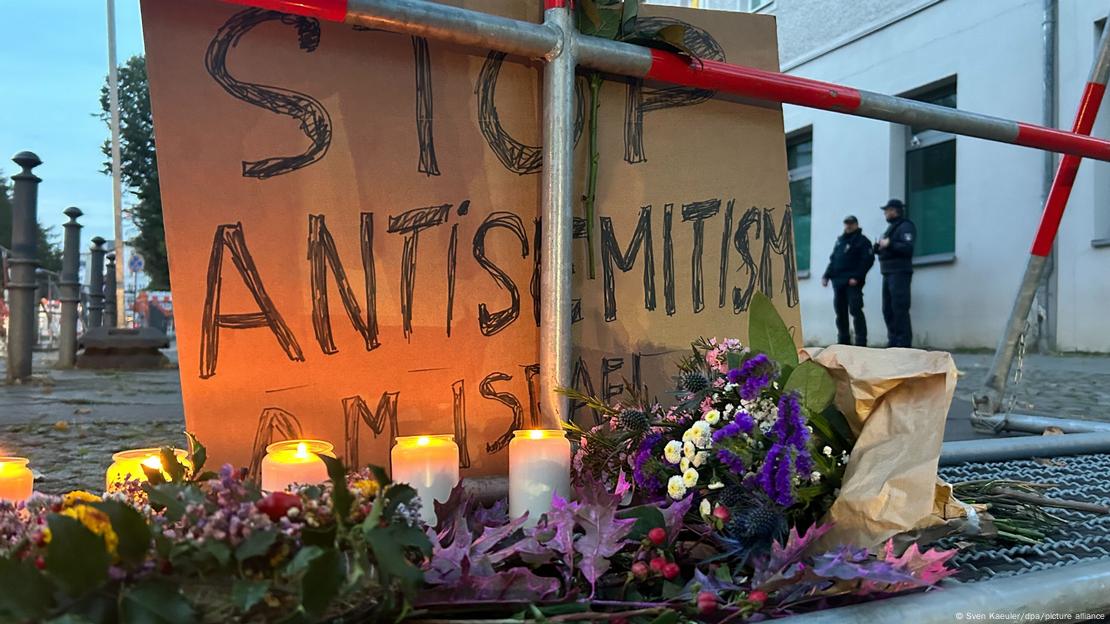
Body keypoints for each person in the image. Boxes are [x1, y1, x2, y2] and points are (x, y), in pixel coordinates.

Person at [822, 215, 874, 346]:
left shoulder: (862, 241)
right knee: (840, 313)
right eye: (846, 223)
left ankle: (861, 341)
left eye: (851, 223)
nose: (848, 226)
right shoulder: (840, 241)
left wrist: (857, 277)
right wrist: (826, 276)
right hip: (838, 282)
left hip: (852, 283)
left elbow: (867, 261)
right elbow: (834, 260)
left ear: (856, 224)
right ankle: (843, 341)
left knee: (855, 310)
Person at [874, 199, 916, 348]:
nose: (885, 213)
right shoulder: (891, 228)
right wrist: (878, 248)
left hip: (899, 272)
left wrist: (889, 244)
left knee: (900, 308)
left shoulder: (905, 226)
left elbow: (907, 248)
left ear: (895, 210)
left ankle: (903, 344)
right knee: (888, 309)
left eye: (887, 210)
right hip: (888, 272)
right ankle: (893, 342)